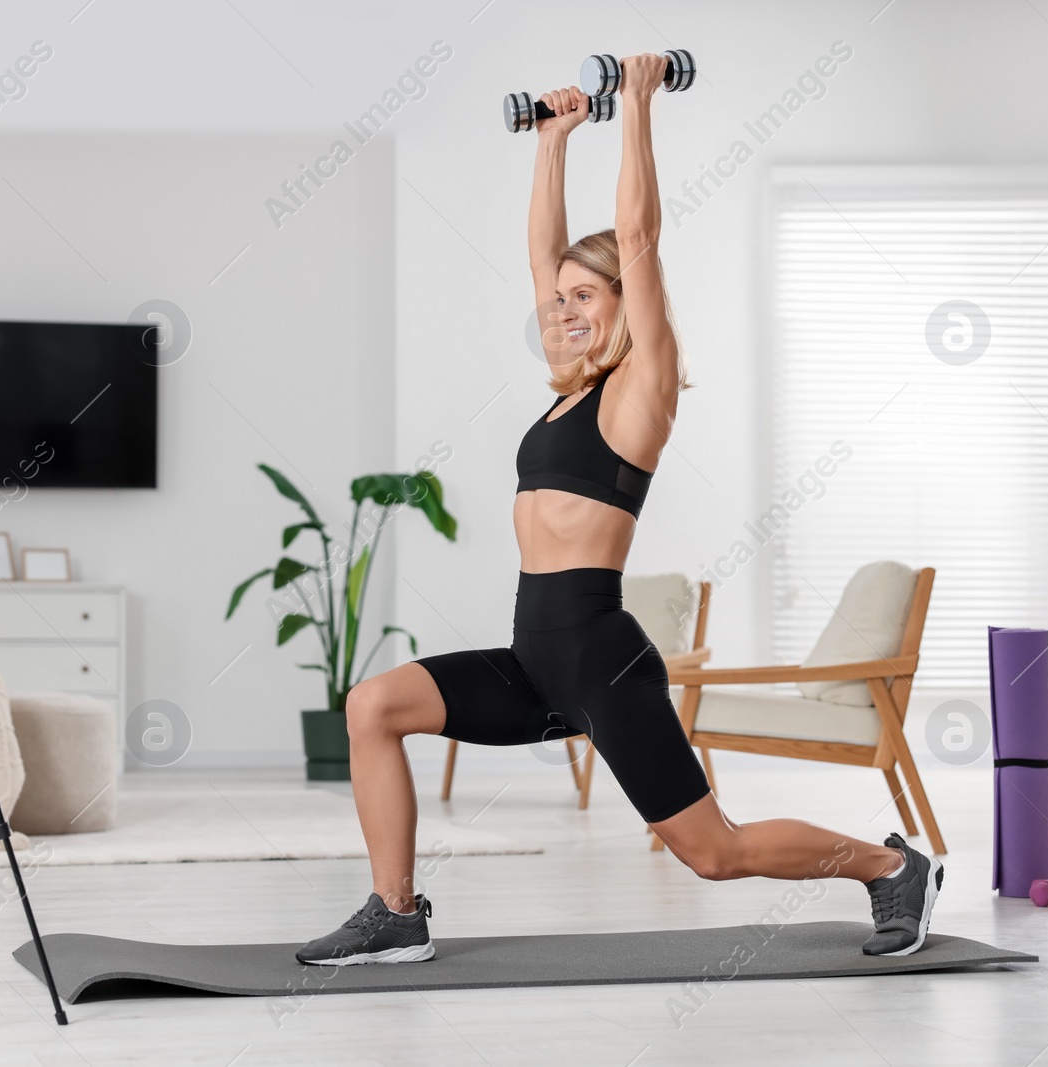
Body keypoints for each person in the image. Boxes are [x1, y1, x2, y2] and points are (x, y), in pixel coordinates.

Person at [296, 55, 942, 967]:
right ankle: (396, 912)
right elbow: (541, 255)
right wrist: (554, 142)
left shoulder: (641, 389)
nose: (562, 309)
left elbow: (636, 236)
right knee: (374, 704)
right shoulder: (568, 387)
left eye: (584, 297)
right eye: (558, 300)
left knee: (713, 852)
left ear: (626, 307)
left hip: (602, 658)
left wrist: (635, 102)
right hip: (532, 658)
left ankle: (888, 865)